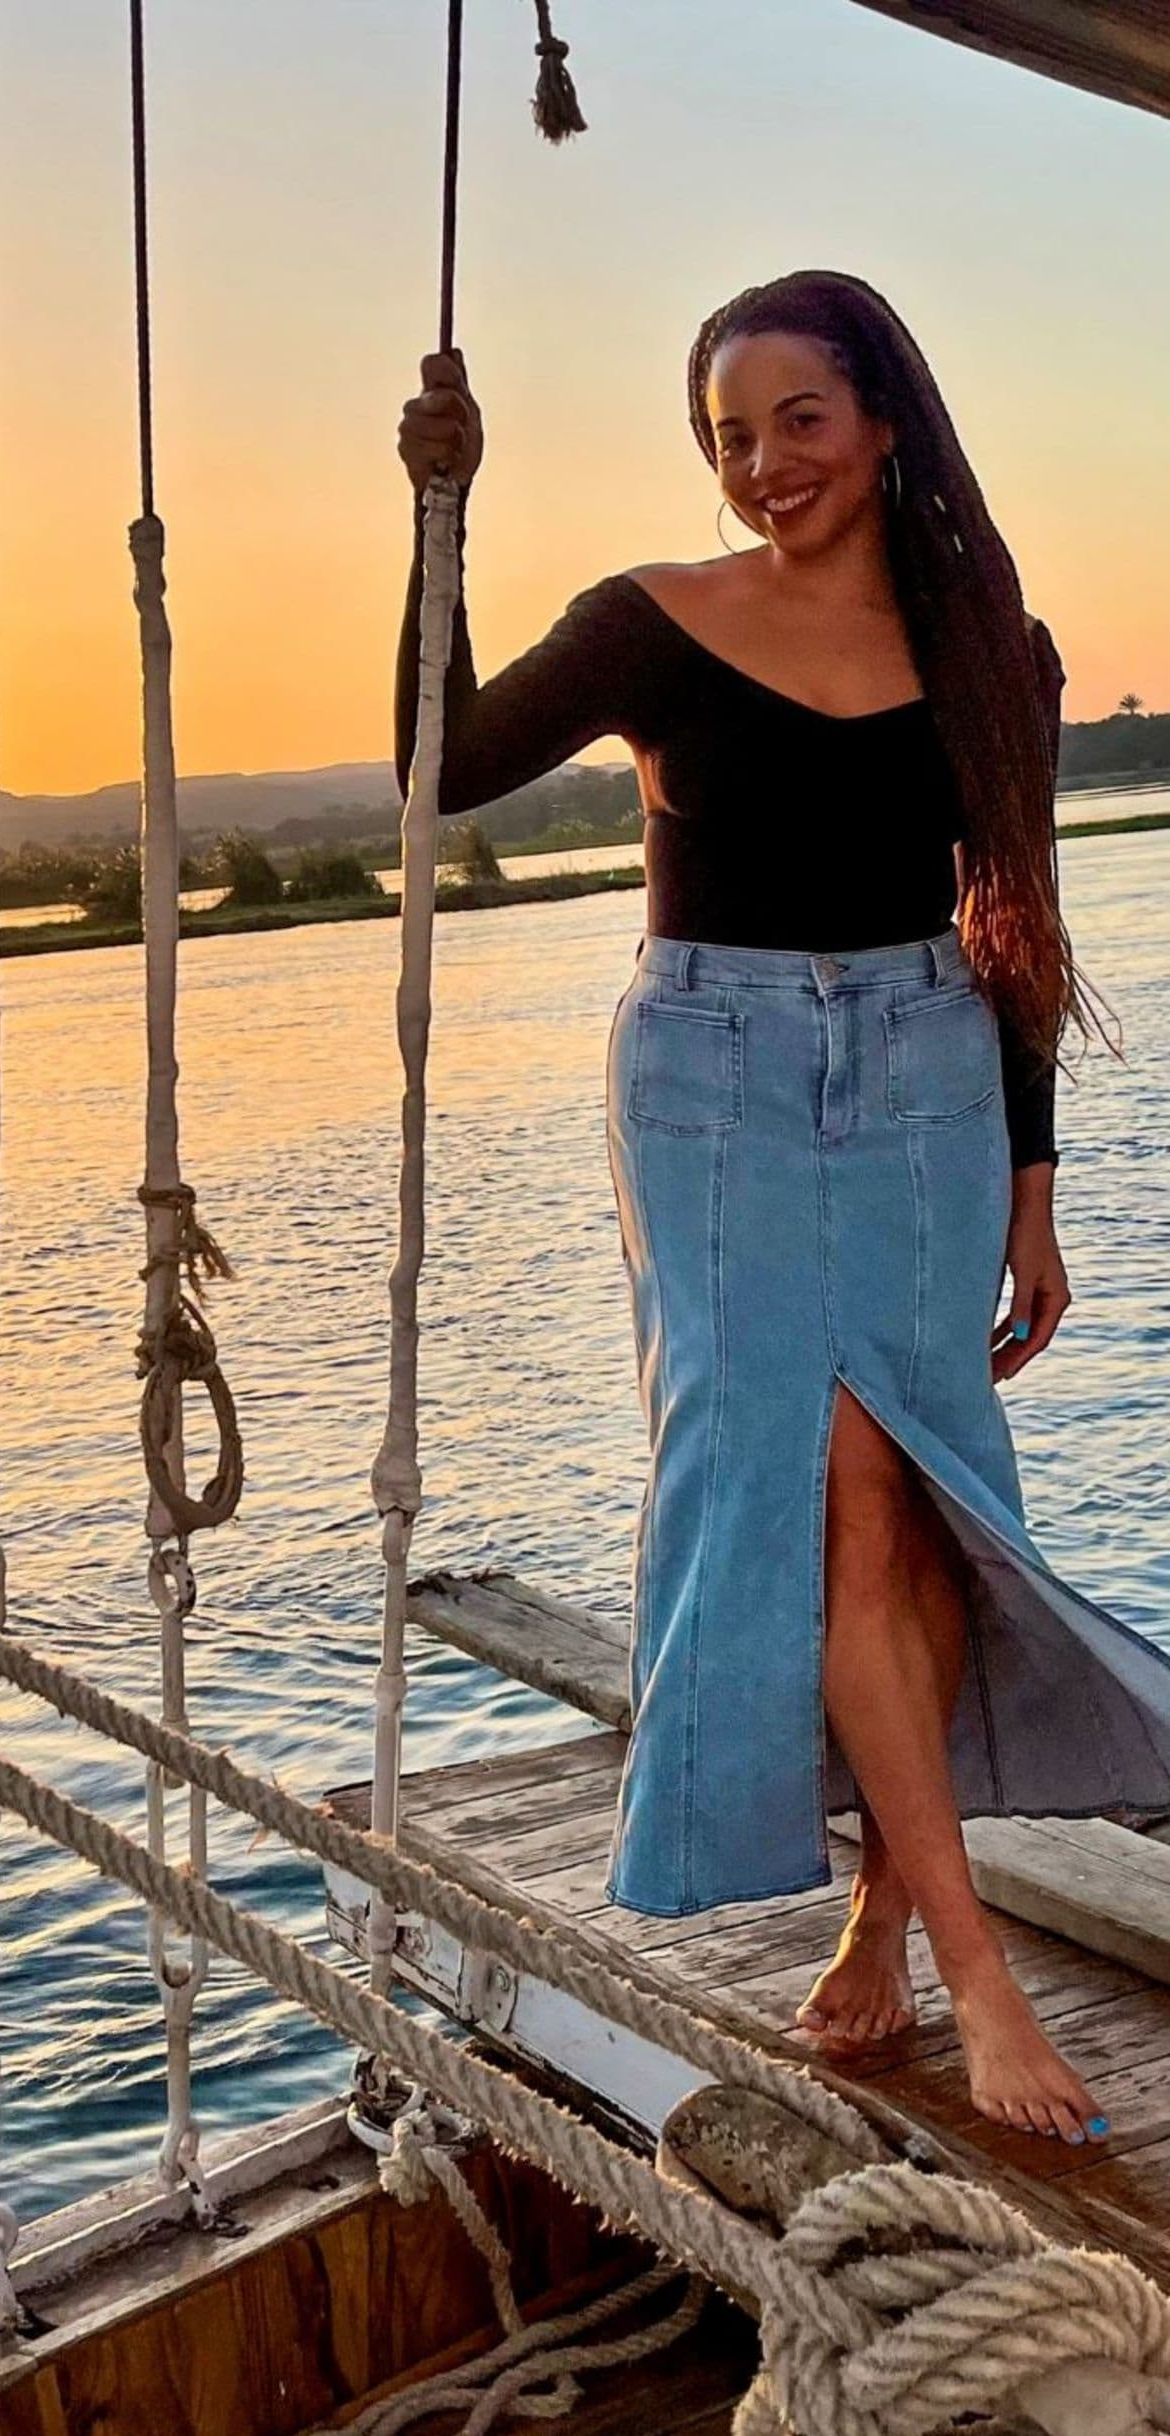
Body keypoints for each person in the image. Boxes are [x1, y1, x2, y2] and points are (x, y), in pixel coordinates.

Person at [393, 268, 1170, 2147]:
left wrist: (1037, 1188)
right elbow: (440, 767)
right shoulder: (654, 624)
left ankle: (888, 1912)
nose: (762, 467)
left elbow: (1017, 925)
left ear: (885, 418)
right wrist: (443, 520)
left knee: (918, 1486)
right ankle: (979, 1969)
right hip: (715, 1077)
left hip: (924, 1066)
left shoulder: (995, 642)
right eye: (729, 436)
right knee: (819, 1485)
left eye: (797, 421)